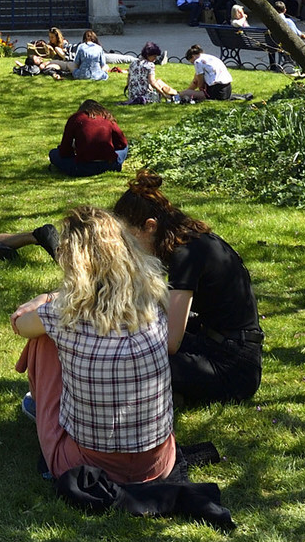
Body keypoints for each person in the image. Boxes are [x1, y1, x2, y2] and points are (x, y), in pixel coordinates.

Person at [10, 206, 177, 484]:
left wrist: (46, 299)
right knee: (49, 330)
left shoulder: (65, 314)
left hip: (87, 468)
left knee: (41, 340)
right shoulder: (154, 299)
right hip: (158, 463)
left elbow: (20, 326)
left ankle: (42, 408)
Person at [112, 168, 263, 407]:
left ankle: (175, 395)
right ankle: (178, 394)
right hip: (217, 342)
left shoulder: (186, 255)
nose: (128, 247)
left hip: (234, 366)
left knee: (136, 362)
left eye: (129, 238)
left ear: (150, 226)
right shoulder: (188, 240)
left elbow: (171, 343)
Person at [51, 100, 130, 176]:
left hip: (82, 167)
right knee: (125, 148)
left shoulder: (76, 118)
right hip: (110, 165)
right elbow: (122, 143)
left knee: (53, 153)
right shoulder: (107, 117)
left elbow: (65, 151)